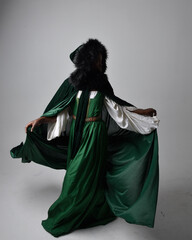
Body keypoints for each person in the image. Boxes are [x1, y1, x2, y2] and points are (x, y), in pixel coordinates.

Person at [11, 39, 159, 237]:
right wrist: (41, 119)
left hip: (94, 135)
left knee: (78, 174)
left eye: (100, 59)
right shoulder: (73, 84)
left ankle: (68, 213)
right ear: (86, 60)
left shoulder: (102, 84)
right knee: (78, 172)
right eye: (95, 59)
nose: (99, 63)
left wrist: (143, 112)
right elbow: (61, 108)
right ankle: (88, 208)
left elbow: (118, 109)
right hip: (77, 134)